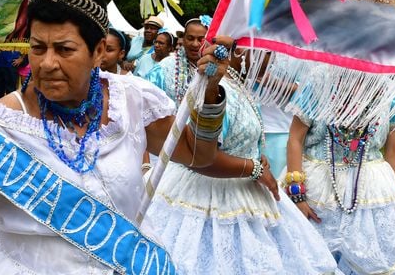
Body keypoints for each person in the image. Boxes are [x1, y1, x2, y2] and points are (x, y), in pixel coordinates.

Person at [0, 0, 230, 275]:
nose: (47, 63)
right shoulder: (2, 125)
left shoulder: (131, 100)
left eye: (64, 49)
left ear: (99, 51)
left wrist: (212, 91)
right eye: (37, 47)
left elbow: (198, 155)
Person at [145, 16, 338, 274]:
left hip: (244, 194)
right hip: (208, 199)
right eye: (267, 51)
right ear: (241, 50)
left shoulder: (240, 87)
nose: (271, 59)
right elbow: (201, 158)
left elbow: (242, 139)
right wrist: (255, 169)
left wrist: (258, 157)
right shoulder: (217, 89)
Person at [286, 105, 395, 273]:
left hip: (372, 195)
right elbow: (295, 139)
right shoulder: (317, 86)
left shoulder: (390, 95)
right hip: (320, 195)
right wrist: (297, 197)